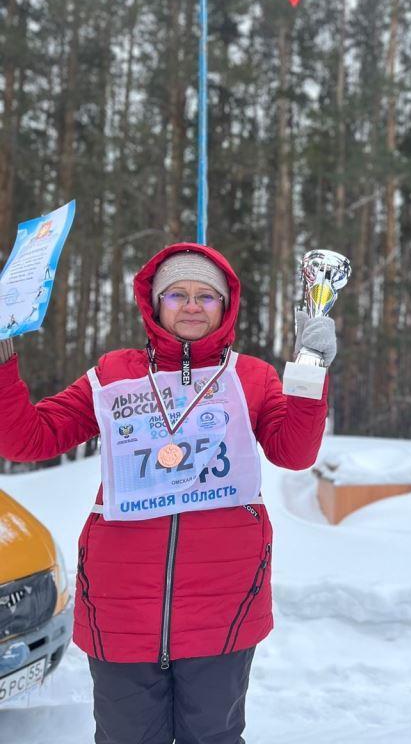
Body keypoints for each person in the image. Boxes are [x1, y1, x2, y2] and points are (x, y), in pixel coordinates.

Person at [0, 243, 337, 744]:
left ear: (226, 306)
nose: (192, 305)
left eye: (207, 295)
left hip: (223, 601)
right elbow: (27, 439)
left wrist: (310, 371)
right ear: (154, 303)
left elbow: (294, 452)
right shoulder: (114, 374)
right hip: (121, 605)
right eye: (177, 293)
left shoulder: (251, 377)